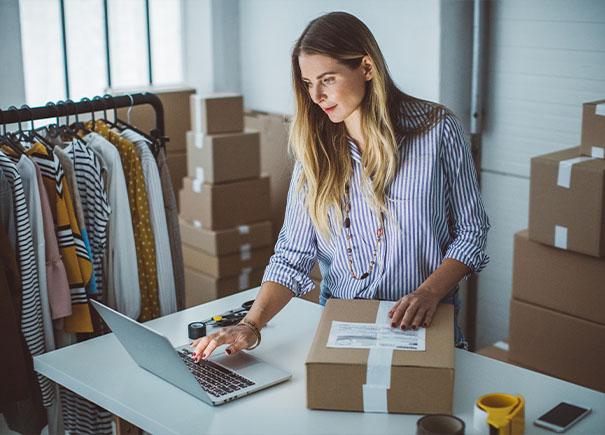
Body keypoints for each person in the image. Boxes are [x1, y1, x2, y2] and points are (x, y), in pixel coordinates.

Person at [192, 11, 490, 362]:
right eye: (307, 83)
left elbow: (472, 232)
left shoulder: (438, 130)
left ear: (366, 68)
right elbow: (292, 256)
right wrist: (251, 325)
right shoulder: (315, 151)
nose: (316, 95)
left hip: (426, 322)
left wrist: (428, 292)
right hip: (343, 326)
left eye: (327, 79)